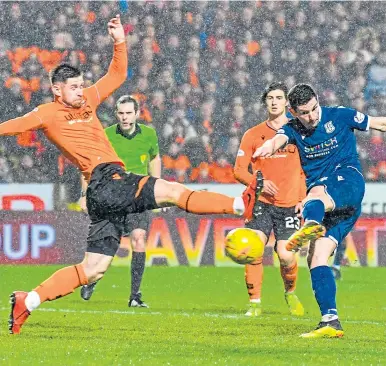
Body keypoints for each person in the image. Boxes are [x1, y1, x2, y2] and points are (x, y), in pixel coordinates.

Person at [4, 15, 260, 335]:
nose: (81, 92)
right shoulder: (47, 113)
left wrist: (119, 41)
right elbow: (11, 127)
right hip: (105, 180)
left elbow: (118, 74)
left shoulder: (88, 101)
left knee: (93, 269)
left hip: (103, 192)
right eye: (73, 87)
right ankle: (239, 206)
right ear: (57, 90)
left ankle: (27, 302)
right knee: (169, 190)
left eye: (82, 86)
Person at [253, 83, 386, 338]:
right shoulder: (292, 129)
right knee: (316, 259)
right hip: (336, 209)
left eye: (314, 108)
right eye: (305, 112)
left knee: (314, 195)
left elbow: (379, 123)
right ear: (293, 111)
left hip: (348, 181)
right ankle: (330, 321)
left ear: (318, 100)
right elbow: (279, 138)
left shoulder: (339, 115)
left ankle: (309, 224)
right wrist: (268, 148)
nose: (312, 116)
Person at [80, 95, 161, 307]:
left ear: (137, 114)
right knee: (107, 247)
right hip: (112, 195)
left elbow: (154, 159)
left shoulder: (149, 135)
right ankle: (92, 278)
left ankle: (135, 296)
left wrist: (159, 190)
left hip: (139, 195)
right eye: (121, 113)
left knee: (139, 239)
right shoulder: (106, 136)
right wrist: (84, 194)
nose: (125, 118)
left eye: (128, 113)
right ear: (116, 114)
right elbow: (89, 164)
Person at [234, 82, 306, 317]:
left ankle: (290, 292)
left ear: (287, 102)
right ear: (265, 102)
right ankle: (254, 303)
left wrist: (303, 198)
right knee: (253, 249)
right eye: (270, 98)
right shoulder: (253, 134)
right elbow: (238, 170)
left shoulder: (298, 131)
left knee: (285, 255)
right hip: (261, 203)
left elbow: (309, 168)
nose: (274, 102)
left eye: (279, 97)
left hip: (289, 205)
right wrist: (259, 184)